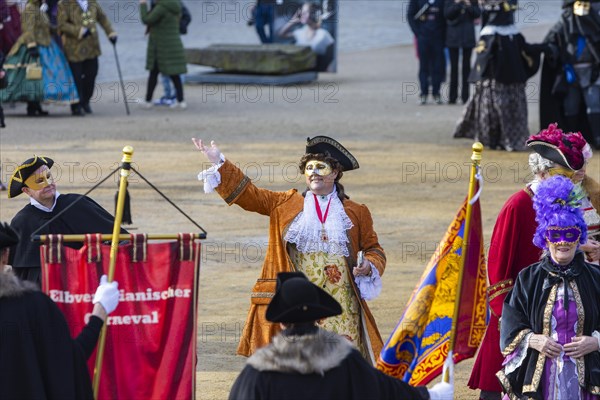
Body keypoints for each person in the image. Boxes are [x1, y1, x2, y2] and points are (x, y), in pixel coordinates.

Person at [193, 136, 385, 362]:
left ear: (334, 173)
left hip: (343, 307)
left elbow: (374, 249)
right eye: (309, 168)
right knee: (299, 364)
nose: (313, 172)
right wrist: (220, 163)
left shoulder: (356, 211)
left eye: (320, 167)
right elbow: (250, 196)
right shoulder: (284, 203)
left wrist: (368, 265)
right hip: (301, 307)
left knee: (342, 366)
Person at [467, 123, 591, 400]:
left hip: (562, 319)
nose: (571, 183)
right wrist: (520, 324)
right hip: (520, 315)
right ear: (542, 172)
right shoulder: (517, 206)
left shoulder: (564, 202)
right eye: (562, 175)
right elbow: (498, 278)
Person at [229, 271, 454, 400]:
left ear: (281, 321)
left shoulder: (258, 372)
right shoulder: (346, 361)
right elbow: (386, 392)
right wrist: (433, 395)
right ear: (319, 317)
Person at [497, 175, 600, 399]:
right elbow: (510, 322)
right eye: (556, 234)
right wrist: (533, 339)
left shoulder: (596, 277)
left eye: (570, 234)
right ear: (545, 238)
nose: (562, 241)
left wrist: (596, 342)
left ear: (579, 237)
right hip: (540, 375)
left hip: (589, 377)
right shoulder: (528, 278)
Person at [0, 222, 120, 400]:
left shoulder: (33, 306)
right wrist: (99, 312)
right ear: (5, 255)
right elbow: (68, 362)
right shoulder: (34, 306)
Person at [7, 155, 125, 284]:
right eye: (39, 181)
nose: (48, 184)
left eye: (48, 177)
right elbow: (22, 274)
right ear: (27, 190)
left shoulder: (78, 204)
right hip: (46, 292)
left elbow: (120, 239)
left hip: (87, 285)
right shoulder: (22, 221)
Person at [453, 0, 546, 151]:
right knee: (493, 112)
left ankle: (507, 140)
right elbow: (483, 57)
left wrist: (544, 48)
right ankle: (493, 139)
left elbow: (525, 49)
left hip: (511, 82)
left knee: (509, 113)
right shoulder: (490, 34)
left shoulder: (512, 33)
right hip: (494, 83)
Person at [1, 0, 80, 116]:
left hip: (45, 44)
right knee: (31, 77)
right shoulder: (30, 8)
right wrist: (31, 45)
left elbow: (45, 26)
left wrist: (57, 29)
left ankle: (36, 104)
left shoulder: (40, 9)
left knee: (38, 78)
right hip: (33, 46)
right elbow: (28, 29)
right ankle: (32, 105)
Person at [539, 0, 600, 149]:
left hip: (592, 71)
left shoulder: (595, 22)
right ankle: (571, 141)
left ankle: (597, 139)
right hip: (570, 72)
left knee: (594, 104)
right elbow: (551, 42)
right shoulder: (564, 23)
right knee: (570, 106)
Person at [57, 0, 117, 116]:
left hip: (91, 46)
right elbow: (61, 24)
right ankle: (76, 105)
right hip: (74, 48)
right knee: (76, 78)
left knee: (91, 74)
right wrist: (78, 31)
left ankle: (85, 101)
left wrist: (111, 33)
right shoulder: (64, 4)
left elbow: (102, 18)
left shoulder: (92, 2)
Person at [139, 0, 188, 110]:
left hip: (161, 47)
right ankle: (181, 101)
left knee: (153, 73)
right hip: (173, 44)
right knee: (174, 74)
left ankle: (148, 100)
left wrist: (142, 5)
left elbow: (147, 20)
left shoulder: (162, 7)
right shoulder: (175, 5)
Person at [407, 0, 446, 105]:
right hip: (423, 38)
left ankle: (436, 93)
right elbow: (410, 15)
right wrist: (418, 33)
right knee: (423, 67)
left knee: (437, 67)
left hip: (438, 38)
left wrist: (443, 35)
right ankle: (423, 93)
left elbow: (445, 17)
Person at [278, 2, 335, 72]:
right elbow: (281, 34)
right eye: (302, 12)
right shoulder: (300, 32)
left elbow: (333, 56)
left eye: (306, 12)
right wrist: (293, 20)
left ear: (313, 14)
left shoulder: (323, 34)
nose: (302, 14)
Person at [444, 0, 480, 104]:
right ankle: (452, 97)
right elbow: (447, 15)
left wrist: (468, 5)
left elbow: (477, 14)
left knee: (466, 67)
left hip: (467, 38)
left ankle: (465, 96)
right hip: (453, 38)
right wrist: (457, 4)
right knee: (454, 68)